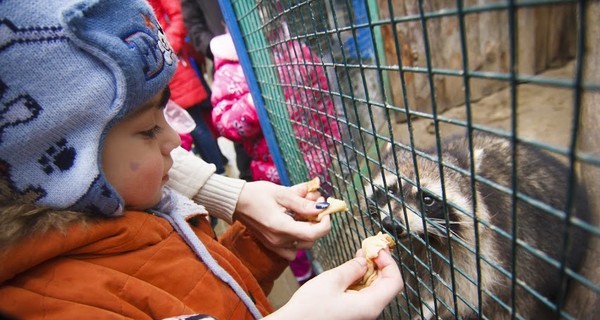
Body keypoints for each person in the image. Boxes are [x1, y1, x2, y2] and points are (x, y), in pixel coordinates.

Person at [0, 1, 403, 319]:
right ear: (64, 164)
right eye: (147, 129)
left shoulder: (143, 212)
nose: (175, 139)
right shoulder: (54, 305)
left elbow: (205, 292)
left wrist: (263, 242)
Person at [209, 31, 341, 284]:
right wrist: (253, 101)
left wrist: (331, 137)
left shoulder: (295, 50)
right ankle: (305, 275)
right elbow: (224, 123)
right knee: (287, 227)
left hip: (316, 157)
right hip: (273, 172)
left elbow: (321, 94)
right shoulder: (231, 67)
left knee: (317, 213)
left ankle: (325, 255)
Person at [148, 0, 228, 174]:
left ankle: (219, 171)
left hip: (171, 68)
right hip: (152, 74)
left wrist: (166, 48)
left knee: (195, 126)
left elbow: (179, 16)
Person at [181, 0, 254, 182]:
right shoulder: (226, 75)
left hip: (264, 47)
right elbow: (192, 23)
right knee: (244, 144)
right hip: (226, 59)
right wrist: (215, 46)